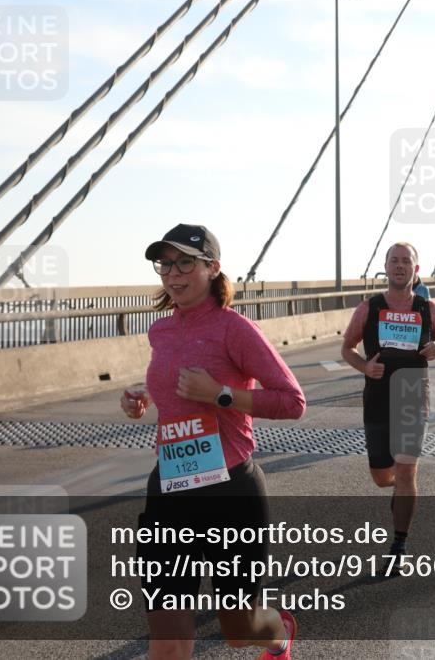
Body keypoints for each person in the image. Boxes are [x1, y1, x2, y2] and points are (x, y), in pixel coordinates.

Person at [121, 224, 306, 660]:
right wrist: (142, 399)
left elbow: (292, 402)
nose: (173, 272)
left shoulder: (235, 329)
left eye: (186, 261)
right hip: (169, 489)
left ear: (212, 267)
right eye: (165, 263)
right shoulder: (160, 331)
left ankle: (278, 633)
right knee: (166, 638)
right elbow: (175, 387)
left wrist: (220, 394)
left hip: (230, 491)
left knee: (239, 629)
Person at [341, 243, 435, 571]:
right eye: (394, 261)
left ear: (416, 270)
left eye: (407, 261)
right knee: (380, 476)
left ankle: (399, 541)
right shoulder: (368, 308)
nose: (400, 266)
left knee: (406, 470)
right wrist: (365, 368)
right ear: (385, 267)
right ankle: (400, 488)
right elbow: (347, 347)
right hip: (376, 400)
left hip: (413, 399)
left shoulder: (428, 308)